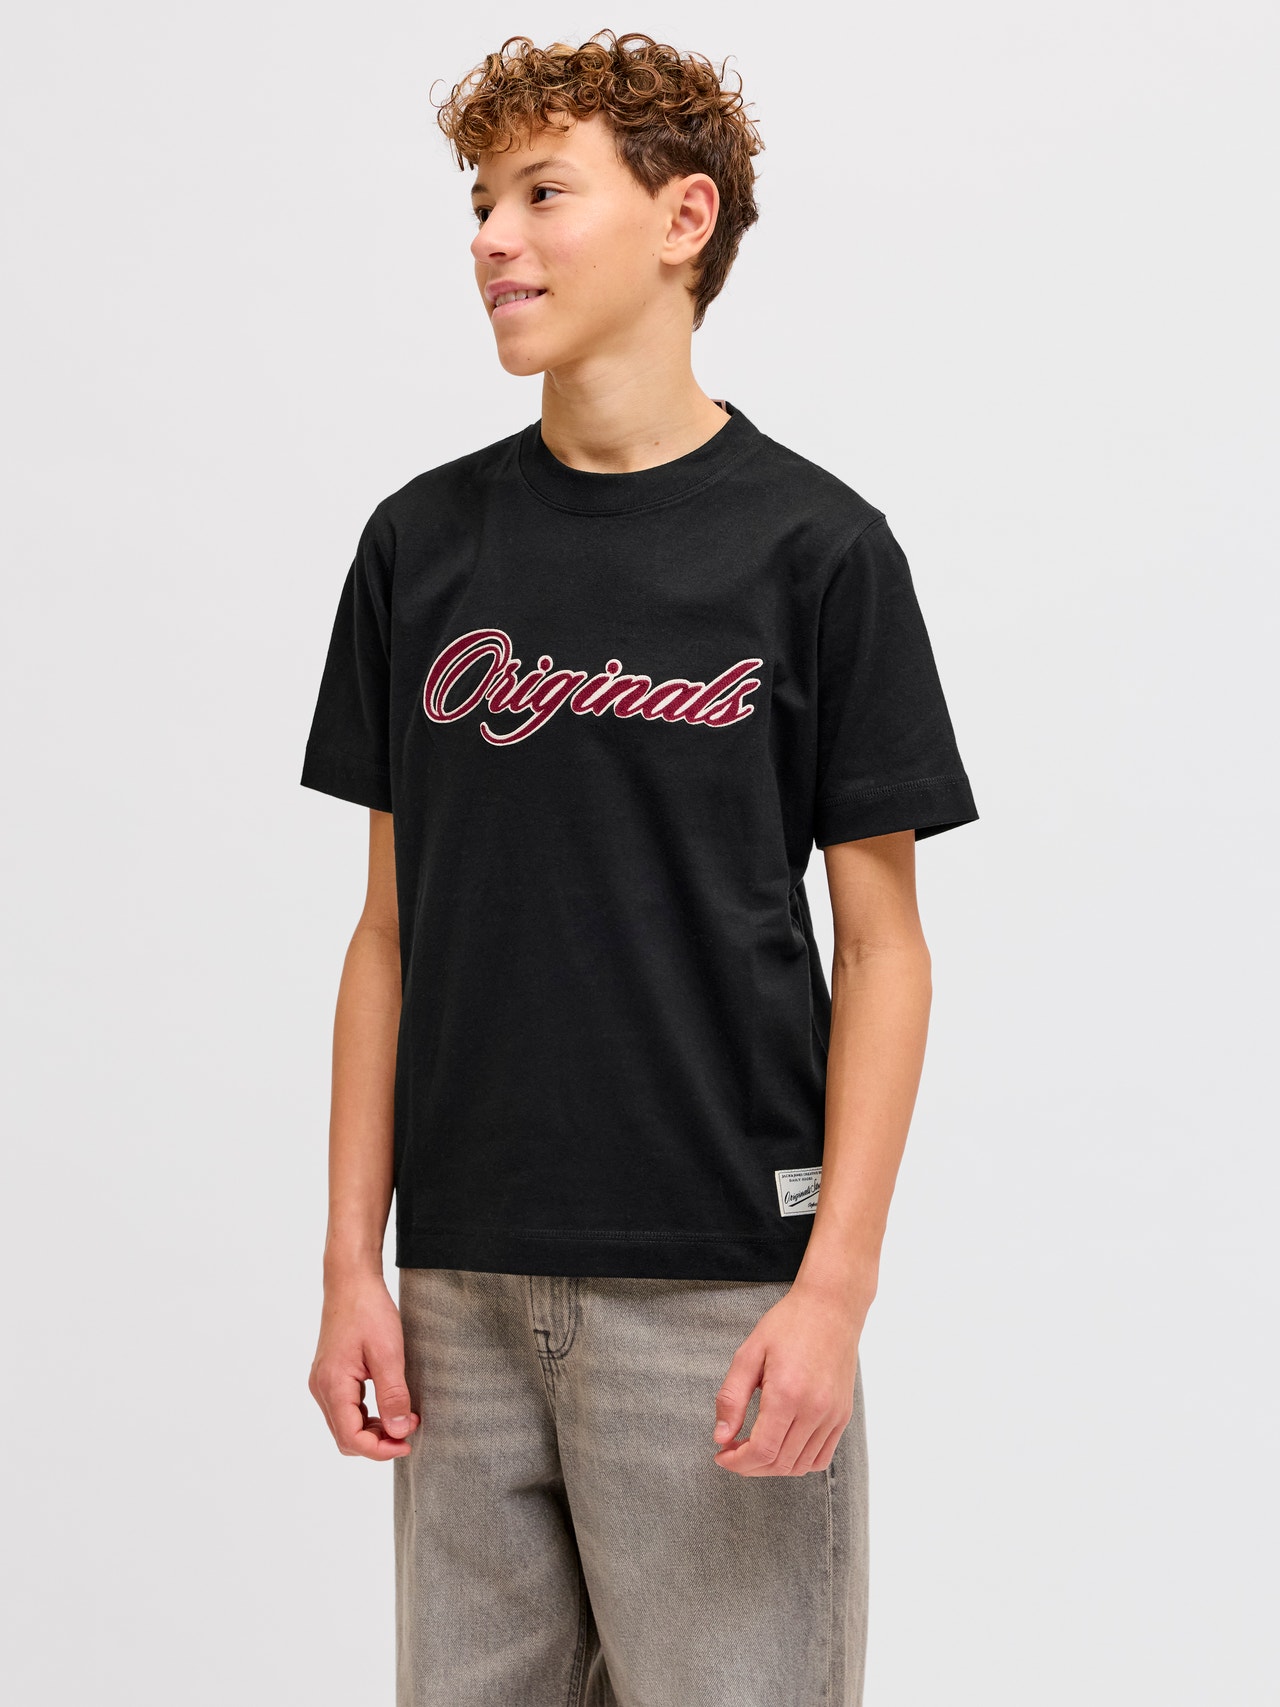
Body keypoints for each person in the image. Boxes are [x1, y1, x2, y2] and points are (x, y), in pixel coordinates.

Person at [300, 29, 979, 1707]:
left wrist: (833, 1291)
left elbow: (884, 948)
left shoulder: (818, 552)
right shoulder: (419, 548)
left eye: (542, 194)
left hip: (720, 1285)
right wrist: (352, 1264)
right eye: (480, 202)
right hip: (458, 1291)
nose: (492, 239)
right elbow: (387, 933)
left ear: (685, 219)